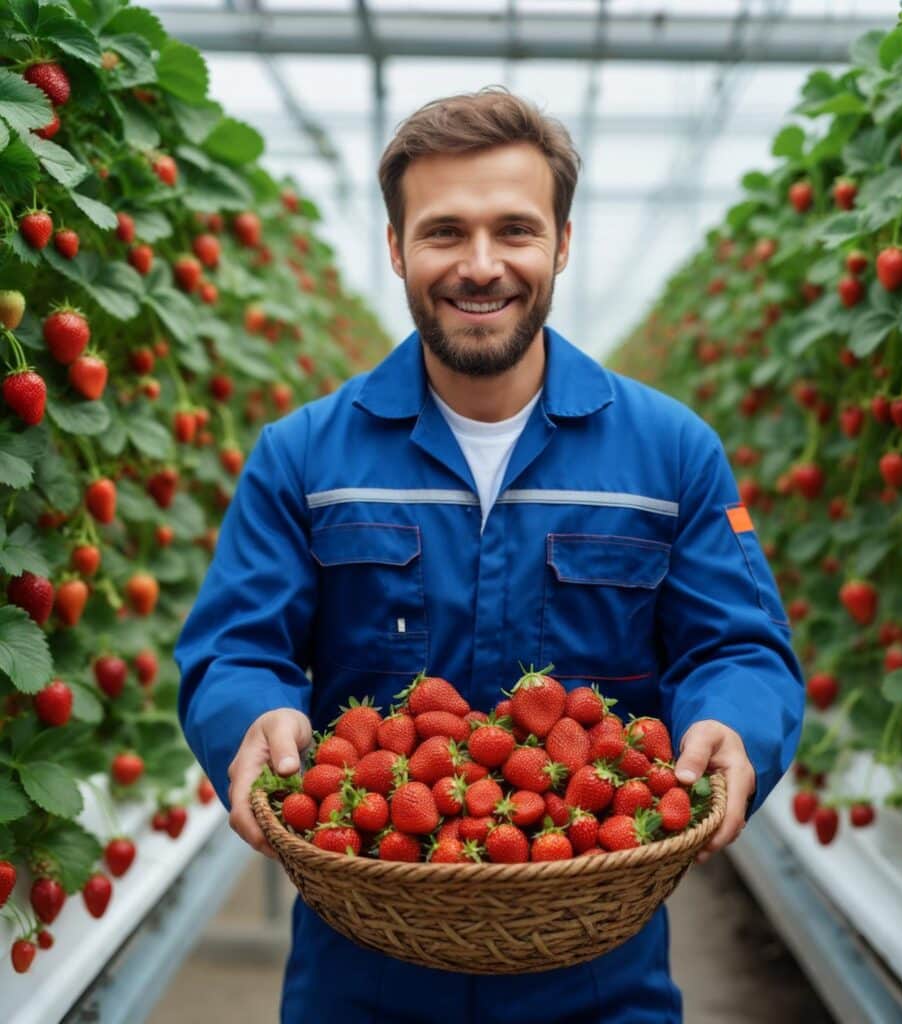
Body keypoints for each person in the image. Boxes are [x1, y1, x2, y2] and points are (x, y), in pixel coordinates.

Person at [176, 86, 804, 1024]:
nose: (480, 266)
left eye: (514, 228)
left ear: (562, 241)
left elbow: (739, 648)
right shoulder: (305, 457)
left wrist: (735, 726)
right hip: (362, 961)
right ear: (395, 248)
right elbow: (236, 647)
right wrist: (252, 714)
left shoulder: (671, 453)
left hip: (598, 966)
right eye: (442, 232)